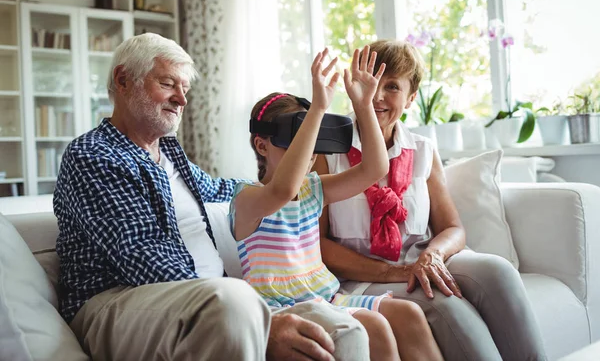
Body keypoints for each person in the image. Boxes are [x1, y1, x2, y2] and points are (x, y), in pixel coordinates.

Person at [54, 32, 371, 361]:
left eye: (185, 89)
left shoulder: (174, 158)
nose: (182, 99)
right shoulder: (94, 155)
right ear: (123, 80)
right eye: (168, 84)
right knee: (235, 302)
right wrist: (261, 318)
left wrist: (280, 189)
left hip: (209, 298)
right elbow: (144, 260)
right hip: (117, 301)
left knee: (340, 330)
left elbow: (229, 190)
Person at [313, 39, 548, 361]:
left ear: (410, 98)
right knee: (448, 307)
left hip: (421, 260)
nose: (378, 95)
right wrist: (389, 273)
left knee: (497, 269)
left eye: (392, 86)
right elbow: (316, 244)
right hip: (359, 277)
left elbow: (452, 228)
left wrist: (432, 256)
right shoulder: (327, 152)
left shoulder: (423, 149)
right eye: (370, 82)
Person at [232, 46, 444, 361]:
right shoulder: (246, 197)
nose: (309, 155)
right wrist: (318, 107)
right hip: (283, 308)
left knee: (409, 314)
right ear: (261, 146)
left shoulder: (313, 190)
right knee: (373, 325)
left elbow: (375, 168)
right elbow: (282, 190)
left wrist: (363, 106)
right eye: (297, 145)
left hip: (327, 297)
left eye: (313, 143)